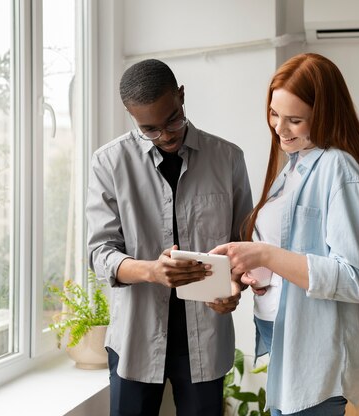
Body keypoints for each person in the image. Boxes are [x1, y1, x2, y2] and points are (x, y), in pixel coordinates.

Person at [211, 53, 359, 416]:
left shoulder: (340, 171)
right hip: (285, 344)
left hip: (315, 354)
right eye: (274, 114)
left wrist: (264, 255)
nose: (280, 128)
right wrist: (253, 272)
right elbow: (294, 254)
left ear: (325, 114)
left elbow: (354, 278)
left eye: (295, 119)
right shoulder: (292, 169)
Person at [86, 58, 253, 416]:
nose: (166, 135)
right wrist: (151, 271)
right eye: (149, 129)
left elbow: (245, 249)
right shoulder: (108, 164)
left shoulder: (228, 159)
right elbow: (100, 253)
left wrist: (235, 289)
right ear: (130, 116)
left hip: (205, 339)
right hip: (135, 338)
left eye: (173, 119)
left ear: (181, 95)